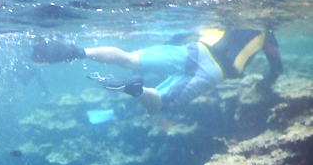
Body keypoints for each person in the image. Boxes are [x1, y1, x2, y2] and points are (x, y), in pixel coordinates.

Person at [31, 28, 283, 114]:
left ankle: (73, 52)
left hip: (194, 49)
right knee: (159, 104)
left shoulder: (228, 17)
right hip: (215, 70)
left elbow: (185, 33)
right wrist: (267, 82)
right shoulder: (267, 33)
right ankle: (136, 89)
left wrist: (170, 45)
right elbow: (276, 67)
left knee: (129, 58)